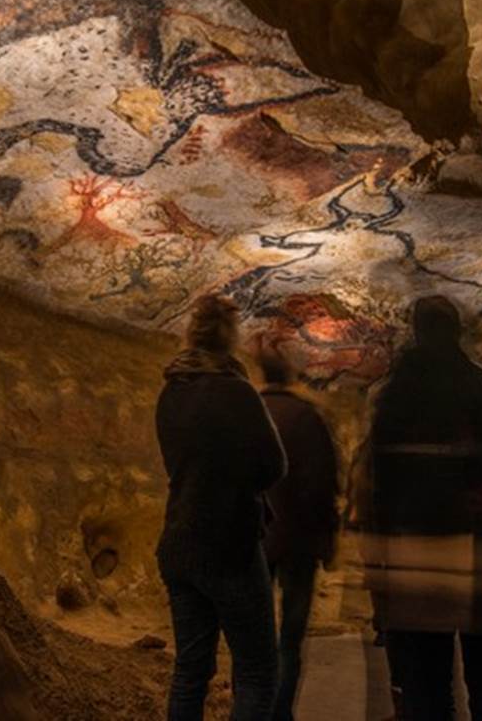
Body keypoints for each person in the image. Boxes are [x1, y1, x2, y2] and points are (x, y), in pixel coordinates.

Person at [364, 295, 482, 720]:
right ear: (458, 332)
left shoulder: (395, 397)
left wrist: (379, 565)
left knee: (425, 689)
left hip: (421, 548)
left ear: (416, 332)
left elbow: (380, 487)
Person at [155, 295, 287, 721]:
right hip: (229, 544)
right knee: (257, 671)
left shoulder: (170, 394)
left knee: (190, 671)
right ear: (230, 337)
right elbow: (274, 465)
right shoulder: (237, 392)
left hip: (179, 540)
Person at [258, 348, 341, 721]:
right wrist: (327, 539)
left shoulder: (251, 413)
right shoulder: (308, 418)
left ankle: (253, 710)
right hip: (299, 541)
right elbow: (321, 485)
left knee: (254, 640)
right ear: (291, 374)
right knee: (290, 640)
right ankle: (280, 713)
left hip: (256, 539)